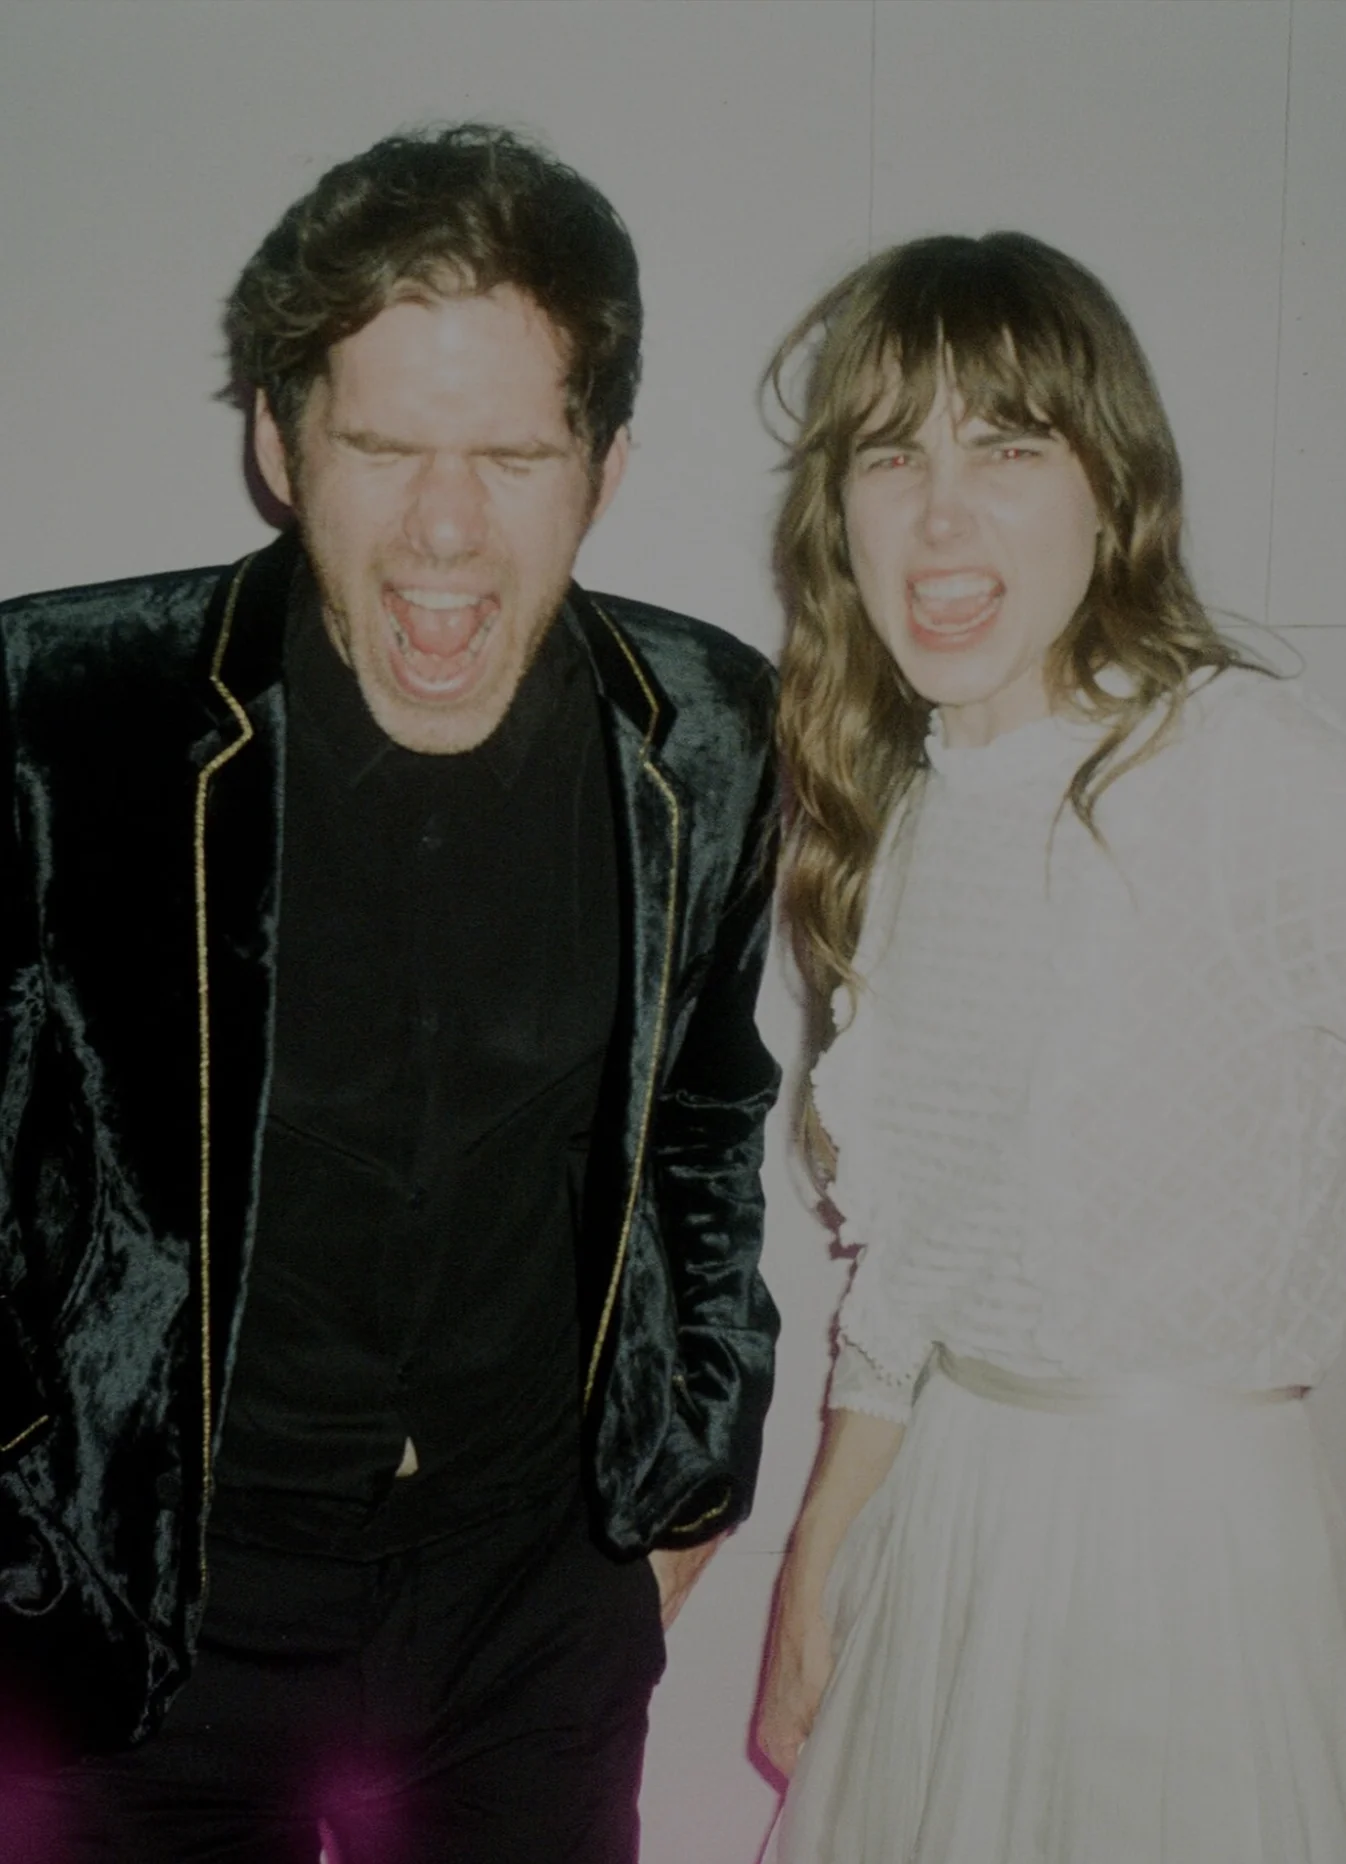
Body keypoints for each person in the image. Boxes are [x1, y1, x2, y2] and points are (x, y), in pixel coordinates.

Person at [0, 123, 780, 1863]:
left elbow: (707, 1119)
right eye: (382, 447)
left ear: (606, 465)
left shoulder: (705, 731)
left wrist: (689, 1474)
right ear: (279, 446)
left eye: (511, 454)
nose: (444, 526)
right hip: (151, 1620)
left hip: (530, 1613)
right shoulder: (62, 712)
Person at [755, 230, 1346, 1862]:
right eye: (892, 457)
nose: (939, 516)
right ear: (840, 514)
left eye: (1006, 449)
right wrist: (815, 1561)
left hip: (1183, 1567)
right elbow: (907, 1286)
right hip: (945, 1532)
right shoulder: (902, 828)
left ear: (1111, 490)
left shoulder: (1236, 765)